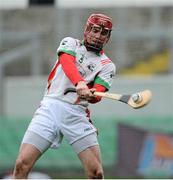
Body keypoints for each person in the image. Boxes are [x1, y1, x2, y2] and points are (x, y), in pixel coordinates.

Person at [13, 13, 116, 179]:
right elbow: (67, 62)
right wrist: (80, 83)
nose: (98, 36)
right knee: (21, 165)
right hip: (49, 108)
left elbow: (98, 93)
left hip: (76, 114)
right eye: (95, 30)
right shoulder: (70, 43)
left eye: (103, 33)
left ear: (108, 38)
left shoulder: (107, 65)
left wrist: (91, 96)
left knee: (96, 173)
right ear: (86, 29)